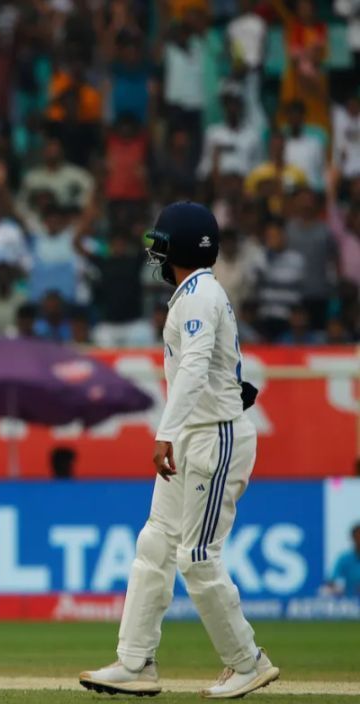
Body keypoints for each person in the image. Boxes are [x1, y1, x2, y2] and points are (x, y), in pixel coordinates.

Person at [79, 202, 280, 699]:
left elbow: (192, 369)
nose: (157, 254)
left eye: (162, 244)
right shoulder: (198, 293)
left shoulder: (199, 294)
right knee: (156, 545)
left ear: (184, 247)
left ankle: (247, 662)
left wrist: (165, 432)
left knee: (195, 556)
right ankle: (135, 662)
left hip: (213, 436)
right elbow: (211, 364)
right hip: (199, 431)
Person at [327, 523, 360, 596]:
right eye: (357, 537)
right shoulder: (344, 558)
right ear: (352, 538)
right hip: (350, 600)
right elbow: (332, 580)